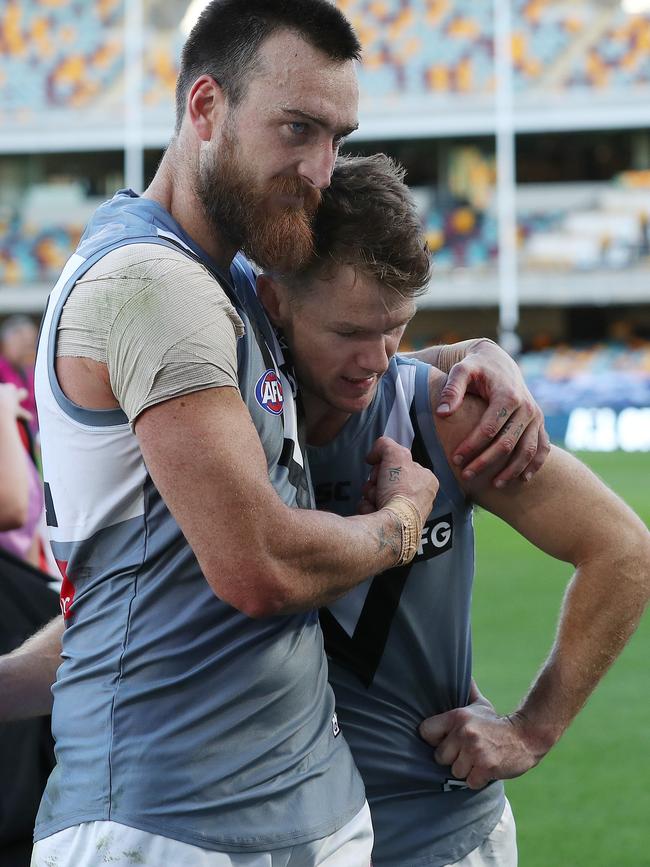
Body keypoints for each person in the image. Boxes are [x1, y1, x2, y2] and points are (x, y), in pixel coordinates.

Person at [16, 4, 543, 866]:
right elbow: (259, 566)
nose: (320, 170)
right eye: (296, 128)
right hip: (174, 823)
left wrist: (468, 354)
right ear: (205, 109)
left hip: (283, 809)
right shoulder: (155, 285)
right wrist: (404, 520)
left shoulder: (219, 287)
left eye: (339, 136)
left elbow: (148, 584)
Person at [255, 153, 650, 867]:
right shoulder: (226, 429)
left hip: (438, 839)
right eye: (350, 332)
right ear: (274, 301)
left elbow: (625, 550)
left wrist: (531, 730)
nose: (377, 359)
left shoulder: (443, 415)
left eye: (397, 328)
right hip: (271, 841)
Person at [0, 315, 38, 433]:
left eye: (31, 344)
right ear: (5, 343)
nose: (27, 349)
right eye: (22, 343)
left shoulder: (28, 372)